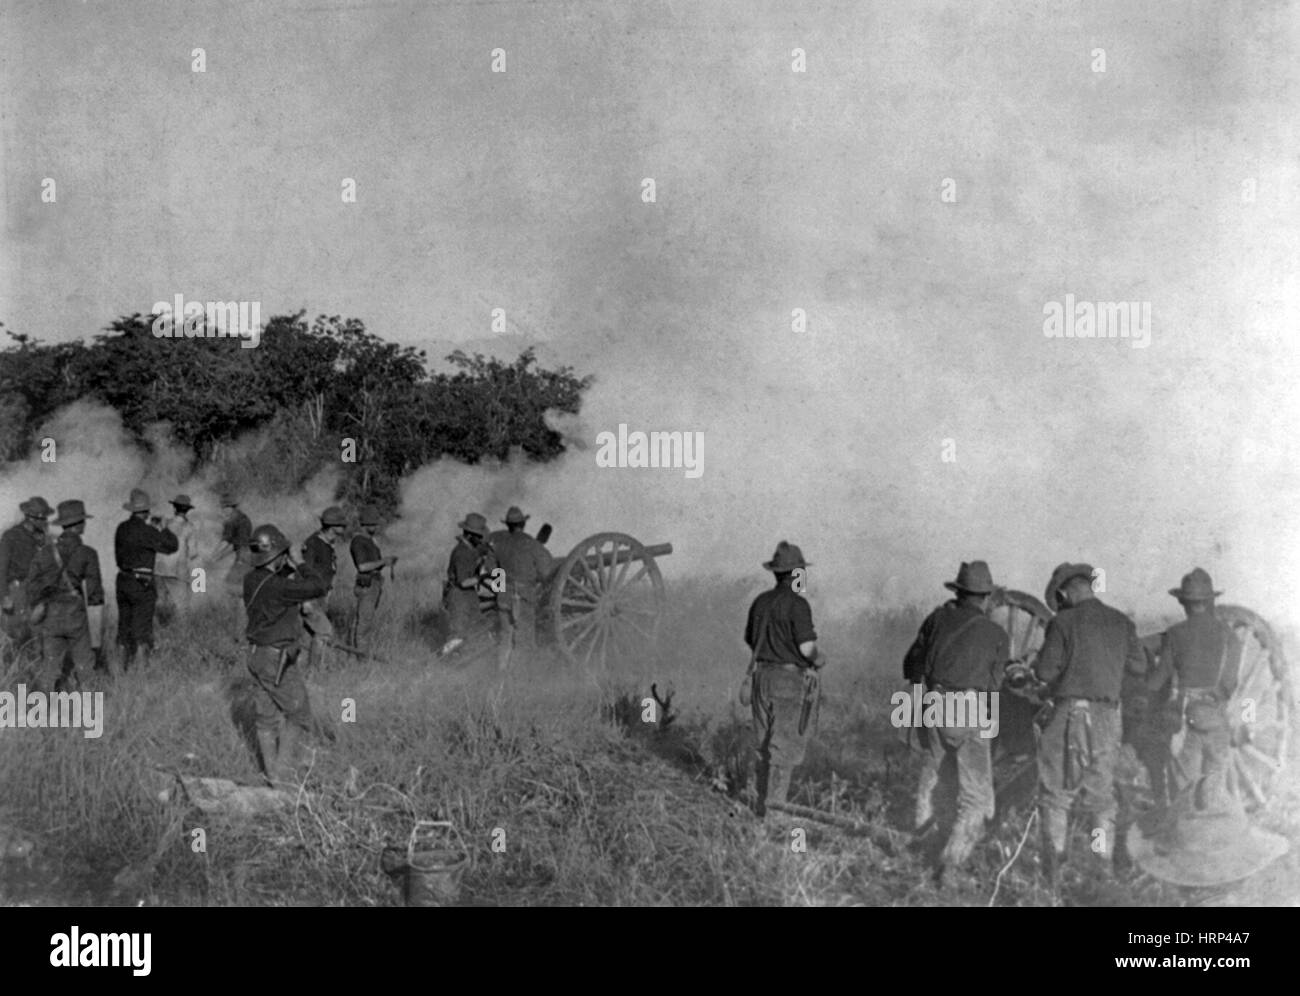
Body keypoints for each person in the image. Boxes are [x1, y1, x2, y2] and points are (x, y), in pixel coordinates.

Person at [1032, 562, 1147, 885]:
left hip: (1070, 717)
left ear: (1066, 591)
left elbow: (1044, 673)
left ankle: (1053, 872)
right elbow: (1139, 666)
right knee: (1101, 798)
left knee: (1056, 796)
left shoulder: (1062, 622)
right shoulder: (1121, 621)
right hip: (1108, 719)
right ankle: (1102, 867)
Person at [901, 561, 1010, 880]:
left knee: (932, 771)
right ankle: (952, 862)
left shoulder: (935, 619)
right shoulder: (996, 633)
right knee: (975, 794)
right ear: (986, 598)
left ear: (959, 592)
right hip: (969, 707)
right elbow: (994, 686)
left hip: (932, 703)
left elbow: (911, 664)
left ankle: (920, 840)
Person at [242, 524, 328, 787]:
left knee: (265, 719)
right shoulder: (279, 587)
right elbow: (318, 586)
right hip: (275, 659)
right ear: (278, 555)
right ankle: (284, 773)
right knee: (299, 714)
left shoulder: (252, 579)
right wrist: (300, 562)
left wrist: (286, 563)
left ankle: (273, 776)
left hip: (256, 655)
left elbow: (276, 582)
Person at [1150, 568, 1242, 813]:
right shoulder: (1229, 636)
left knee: (1184, 790)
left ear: (1183, 602)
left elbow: (1159, 679)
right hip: (1216, 720)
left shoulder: (1175, 634)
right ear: (1210, 601)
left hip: (1184, 720)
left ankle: (1183, 842)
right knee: (1213, 785)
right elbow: (1230, 683)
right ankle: (1212, 841)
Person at [743, 541, 823, 816]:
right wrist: (819, 659)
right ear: (796, 574)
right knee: (783, 752)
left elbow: (751, 640)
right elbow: (807, 649)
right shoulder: (798, 605)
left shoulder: (760, 602)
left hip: (761, 678)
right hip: (787, 682)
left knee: (764, 747)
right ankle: (774, 818)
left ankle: (759, 810)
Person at [26, 500, 104, 692]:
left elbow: (31, 586)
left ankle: (42, 710)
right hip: (75, 614)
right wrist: (97, 632)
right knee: (85, 664)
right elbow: (95, 594)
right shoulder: (88, 553)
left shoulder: (44, 552)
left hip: (51, 612)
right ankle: (90, 710)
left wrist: (43, 600)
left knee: (50, 667)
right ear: (79, 525)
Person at [114, 489, 178, 672]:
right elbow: (172, 546)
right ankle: (142, 675)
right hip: (142, 582)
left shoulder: (121, 528)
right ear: (147, 512)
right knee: (142, 632)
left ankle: (120, 670)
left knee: (123, 629)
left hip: (122, 580)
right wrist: (162, 527)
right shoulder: (147, 531)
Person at [488, 506, 554, 671]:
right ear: (523, 524)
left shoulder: (499, 545)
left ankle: (501, 674)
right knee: (525, 639)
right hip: (523, 598)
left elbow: (490, 568)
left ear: (508, 525)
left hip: (503, 598)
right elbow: (547, 572)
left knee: (505, 637)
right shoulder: (532, 544)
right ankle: (521, 679)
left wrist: (501, 588)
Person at [439, 513, 496, 657]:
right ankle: (443, 663)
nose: (481, 540)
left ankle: (463, 661)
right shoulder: (462, 553)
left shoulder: (470, 550)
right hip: (459, 595)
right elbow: (464, 582)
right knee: (457, 635)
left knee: (477, 627)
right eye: (479, 536)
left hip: (469, 595)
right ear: (470, 535)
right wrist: (484, 576)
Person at [0, 496, 53, 648]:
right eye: (42, 519)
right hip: (17, 591)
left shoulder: (42, 538)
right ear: (30, 518)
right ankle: (17, 668)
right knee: (16, 634)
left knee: (38, 633)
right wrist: (4, 597)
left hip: (36, 590)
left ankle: (37, 668)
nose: (45, 522)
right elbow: (1, 568)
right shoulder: (10, 536)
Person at [300, 506, 347, 669]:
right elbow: (303, 571)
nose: (344, 528)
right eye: (342, 525)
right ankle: (313, 672)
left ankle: (309, 668)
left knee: (311, 634)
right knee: (324, 631)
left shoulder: (329, 544)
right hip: (310, 596)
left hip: (321, 596)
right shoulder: (313, 544)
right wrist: (306, 600)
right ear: (332, 527)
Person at [349, 505, 396, 650]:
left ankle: (357, 651)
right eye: (374, 523)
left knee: (365, 620)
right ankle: (360, 654)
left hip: (374, 583)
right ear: (366, 524)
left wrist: (385, 562)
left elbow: (373, 564)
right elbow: (362, 567)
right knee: (364, 622)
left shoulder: (370, 541)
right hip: (367, 584)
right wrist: (383, 561)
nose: (376, 526)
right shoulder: (359, 541)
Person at [211, 492, 253, 641]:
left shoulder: (236, 521)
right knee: (237, 595)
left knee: (234, 591)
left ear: (230, 507)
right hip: (244, 557)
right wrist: (217, 556)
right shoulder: (240, 519)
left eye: (224, 507)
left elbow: (229, 543)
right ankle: (239, 629)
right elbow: (230, 543)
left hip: (243, 559)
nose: (223, 511)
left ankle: (239, 632)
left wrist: (214, 557)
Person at [153, 494, 199, 623]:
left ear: (174, 508)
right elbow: (193, 553)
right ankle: (182, 635)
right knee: (182, 607)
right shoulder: (190, 527)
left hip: (159, 569)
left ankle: (161, 628)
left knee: (160, 601)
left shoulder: (165, 523)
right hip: (178, 571)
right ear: (188, 510)